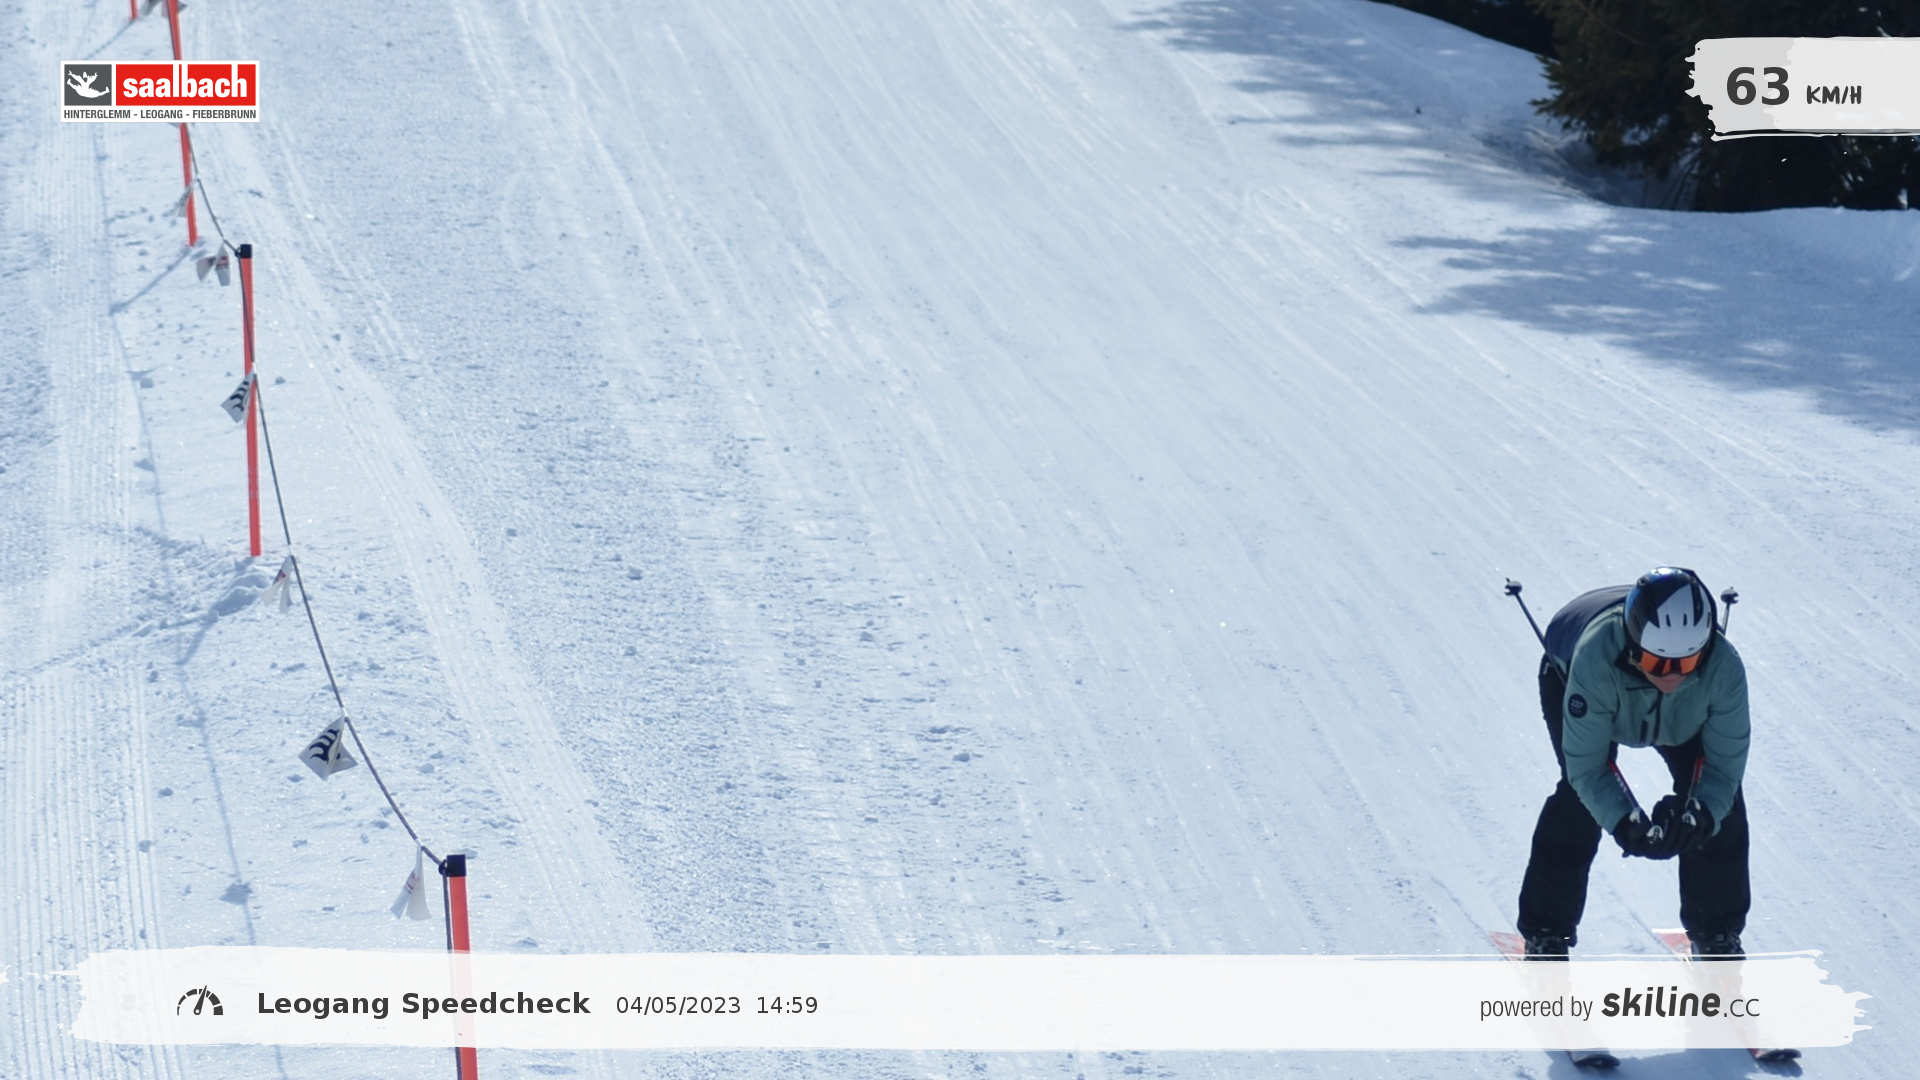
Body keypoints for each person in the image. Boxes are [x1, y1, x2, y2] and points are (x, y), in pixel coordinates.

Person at [1516, 567, 1750, 959]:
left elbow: (1723, 770)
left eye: (1686, 663)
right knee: (1578, 800)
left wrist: (1699, 819)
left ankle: (1717, 933)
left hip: (1682, 719)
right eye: (1657, 662)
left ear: (1706, 649)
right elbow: (1588, 770)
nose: (1671, 677)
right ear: (1632, 644)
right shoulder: (1595, 658)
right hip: (1572, 676)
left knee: (1722, 810)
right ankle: (1545, 931)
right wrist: (1625, 823)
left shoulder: (1723, 667)